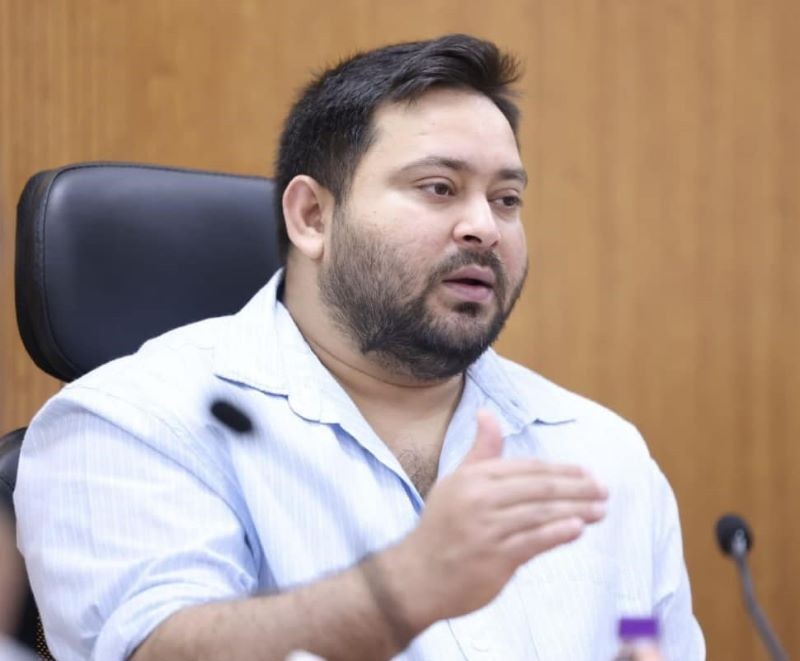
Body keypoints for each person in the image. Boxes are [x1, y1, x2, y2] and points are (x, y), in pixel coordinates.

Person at [14, 34, 704, 660]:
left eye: (506, 199)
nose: (485, 227)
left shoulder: (601, 452)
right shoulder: (135, 421)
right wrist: (397, 592)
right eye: (439, 188)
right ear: (312, 216)